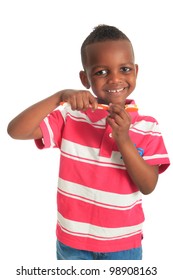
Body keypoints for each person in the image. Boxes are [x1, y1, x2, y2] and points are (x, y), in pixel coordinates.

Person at [7, 24, 170, 260]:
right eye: (101, 72)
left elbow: (148, 185)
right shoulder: (70, 116)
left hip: (123, 245)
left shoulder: (148, 126)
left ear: (135, 71)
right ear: (85, 78)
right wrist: (59, 97)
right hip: (72, 242)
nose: (115, 79)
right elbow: (16, 130)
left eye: (124, 69)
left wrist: (123, 139)